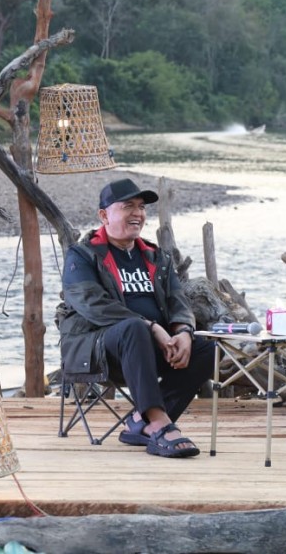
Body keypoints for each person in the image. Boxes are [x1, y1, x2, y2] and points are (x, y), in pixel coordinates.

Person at [58, 178, 216, 458]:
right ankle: (157, 423)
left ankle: (139, 423)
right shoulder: (82, 256)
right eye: (127, 206)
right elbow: (93, 305)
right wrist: (151, 326)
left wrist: (182, 332)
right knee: (133, 327)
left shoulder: (156, 256)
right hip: (97, 350)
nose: (138, 213)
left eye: (141, 207)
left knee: (206, 349)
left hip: (148, 351)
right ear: (104, 215)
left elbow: (178, 302)